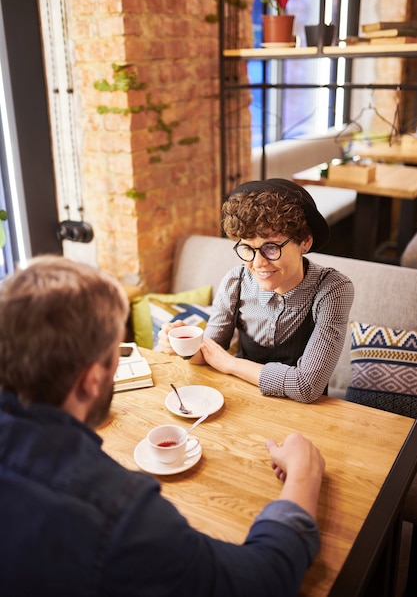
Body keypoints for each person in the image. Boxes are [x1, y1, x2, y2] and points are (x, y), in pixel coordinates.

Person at [0, 255, 325, 597]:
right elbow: (263, 581)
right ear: (92, 380)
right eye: (116, 355)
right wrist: (304, 475)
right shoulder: (121, 515)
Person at [159, 178, 354, 403]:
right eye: (247, 248)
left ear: (305, 242)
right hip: (243, 402)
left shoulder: (333, 289)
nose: (258, 263)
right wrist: (184, 345)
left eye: (271, 247)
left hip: (305, 413)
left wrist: (231, 363)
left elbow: (306, 386)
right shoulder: (236, 281)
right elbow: (210, 353)